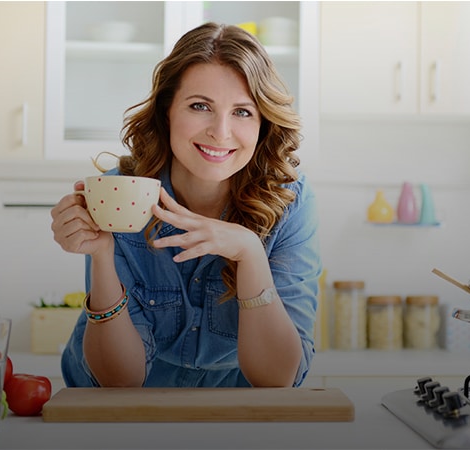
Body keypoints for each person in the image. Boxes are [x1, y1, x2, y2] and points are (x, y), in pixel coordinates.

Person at [50, 22, 321, 388]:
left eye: (242, 112)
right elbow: (119, 381)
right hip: (124, 415)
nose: (220, 132)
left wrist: (250, 254)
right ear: (167, 112)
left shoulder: (290, 201)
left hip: (233, 415)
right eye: (199, 106)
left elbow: (277, 378)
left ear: (263, 124)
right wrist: (101, 254)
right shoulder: (122, 193)